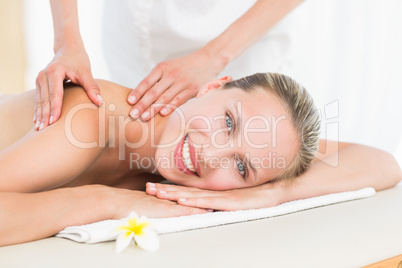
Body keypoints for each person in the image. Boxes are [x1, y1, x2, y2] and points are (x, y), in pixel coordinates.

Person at [0, 73, 400, 247]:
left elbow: (382, 162)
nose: (210, 154)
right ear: (214, 85)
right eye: (228, 121)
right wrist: (103, 201)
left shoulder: (270, 149)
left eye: (242, 167)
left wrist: (273, 194)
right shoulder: (94, 117)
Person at [34, 0, 304, 130]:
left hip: (244, 34)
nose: (210, 157)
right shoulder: (87, 122)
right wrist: (66, 41)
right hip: (135, 31)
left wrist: (215, 56)